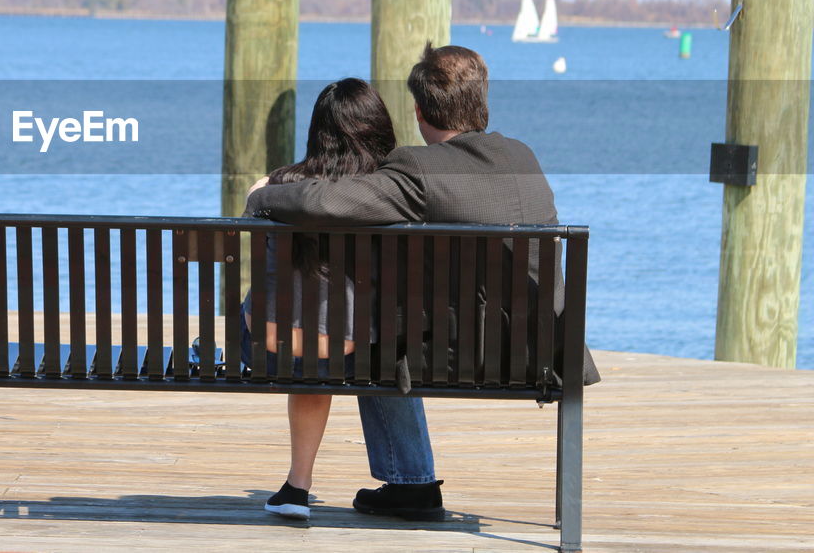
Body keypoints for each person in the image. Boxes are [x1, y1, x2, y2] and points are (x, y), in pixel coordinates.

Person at [246, 43, 600, 522]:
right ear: (482, 100)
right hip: (542, 352)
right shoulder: (522, 156)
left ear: (418, 110)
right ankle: (410, 485)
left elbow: (327, 202)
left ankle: (407, 483)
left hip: (456, 357)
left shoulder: (418, 168)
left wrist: (266, 194)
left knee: (368, 338)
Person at [241, 77, 397, 520]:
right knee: (335, 330)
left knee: (300, 330)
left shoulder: (272, 186)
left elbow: (253, 212)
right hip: (350, 352)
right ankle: (408, 477)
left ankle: (298, 485)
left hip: (263, 346)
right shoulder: (386, 195)